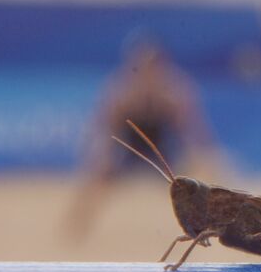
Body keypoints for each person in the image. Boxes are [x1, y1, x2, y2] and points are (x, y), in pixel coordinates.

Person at [63, 33, 217, 241]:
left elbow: (192, 131)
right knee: (98, 174)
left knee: (198, 184)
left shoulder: (176, 90)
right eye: (141, 65)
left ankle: (210, 224)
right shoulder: (122, 91)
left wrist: (202, 159)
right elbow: (105, 128)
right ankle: (77, 225)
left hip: (161, 150)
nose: (147, 71)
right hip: (130, 146)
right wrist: (103, 157)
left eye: (152, 66)